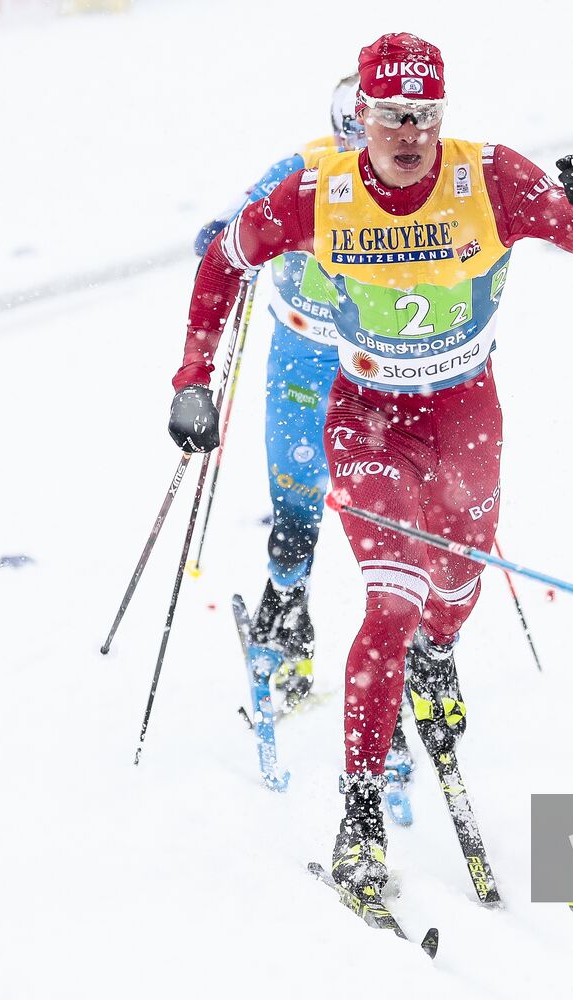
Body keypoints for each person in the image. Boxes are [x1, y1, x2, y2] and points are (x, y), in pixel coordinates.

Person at [168, 32, 573, 897]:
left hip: (466, 415)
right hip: (367, 420)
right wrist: (192, 380)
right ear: (362, 117)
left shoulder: (492, 176)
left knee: (455, 593)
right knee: (392, 599)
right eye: (390, 114)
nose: (409, 132)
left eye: (424, 114)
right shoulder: (319, 190)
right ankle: (359, 815)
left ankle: (438, 656)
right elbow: (223, 256)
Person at [191, 74, 364, 713]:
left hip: (378, 363)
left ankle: (404, 648)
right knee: (293, 497)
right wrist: (226, 240)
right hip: (302, 351)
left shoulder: (418, 185)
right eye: (353, 134)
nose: (363, 153)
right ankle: (288, 611)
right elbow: (225, 233)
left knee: (392, 507)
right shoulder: (302, 171)